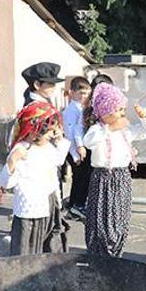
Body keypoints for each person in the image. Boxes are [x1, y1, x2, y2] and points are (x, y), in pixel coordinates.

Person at [82, 83, 146, 257]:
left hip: (122, 177)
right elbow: (88, 141)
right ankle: (100, 251)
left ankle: (116, 251)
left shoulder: (126, 131)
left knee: (119, 217)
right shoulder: (98, 129)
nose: (123, 114)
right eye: (119, 110)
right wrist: (110, 128)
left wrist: (144, 117)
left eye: (123, 109)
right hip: (103, 178)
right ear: (105, 110)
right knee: (102, 218)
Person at [0, 101, 71, 255]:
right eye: (49, 132)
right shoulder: (21, 150)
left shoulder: (48, 146)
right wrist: (12, 162)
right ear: (34, 131)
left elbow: (58, 160)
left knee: (50, 244)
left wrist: (59, 139)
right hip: (30, 208)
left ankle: (47, 274)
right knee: (28, 248)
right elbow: (6, 182)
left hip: (50, 202)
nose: (52, 135)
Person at [62, 76, 92, 220]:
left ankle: (74, 204)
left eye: (86, 93)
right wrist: (75, 153)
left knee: (80, 178)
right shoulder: (71, 110)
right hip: (75, 150)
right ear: (72, 93)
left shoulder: (81, 108)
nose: (83, 96)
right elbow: (70, 133)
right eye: (80, 93)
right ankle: (77, 205)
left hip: (79, 149)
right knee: (81, 178)